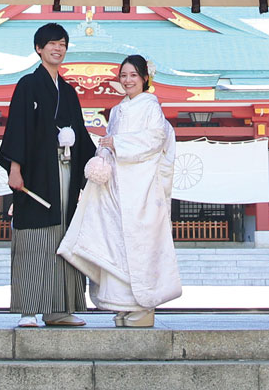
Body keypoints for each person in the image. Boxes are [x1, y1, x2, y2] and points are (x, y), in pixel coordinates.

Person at [59, 54, 181, 327]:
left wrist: (118, 143)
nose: (127, 80)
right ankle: (124, 305)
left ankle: (144, 306)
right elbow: (110, 143)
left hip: (142, 187)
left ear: (145, 78)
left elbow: (155, 139)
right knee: (116, 243)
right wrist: (103, 153)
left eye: (133, 75)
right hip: (117, 187)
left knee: (141, 244)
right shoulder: (116, 111)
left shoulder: (151, 106)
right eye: (123, 75)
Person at [0, 21, 96, 328]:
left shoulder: (68, 92)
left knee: (66, 236)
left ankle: (60, 309)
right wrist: (15, 167)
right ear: (39, 48)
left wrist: (96, 164)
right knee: (34, 239)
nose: (58, 48)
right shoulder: (28, 85)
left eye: (63, 44)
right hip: (37, 173)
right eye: (52, 43)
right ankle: (29, 310)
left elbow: (81, 133)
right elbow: (18, 129)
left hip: (65, 173)